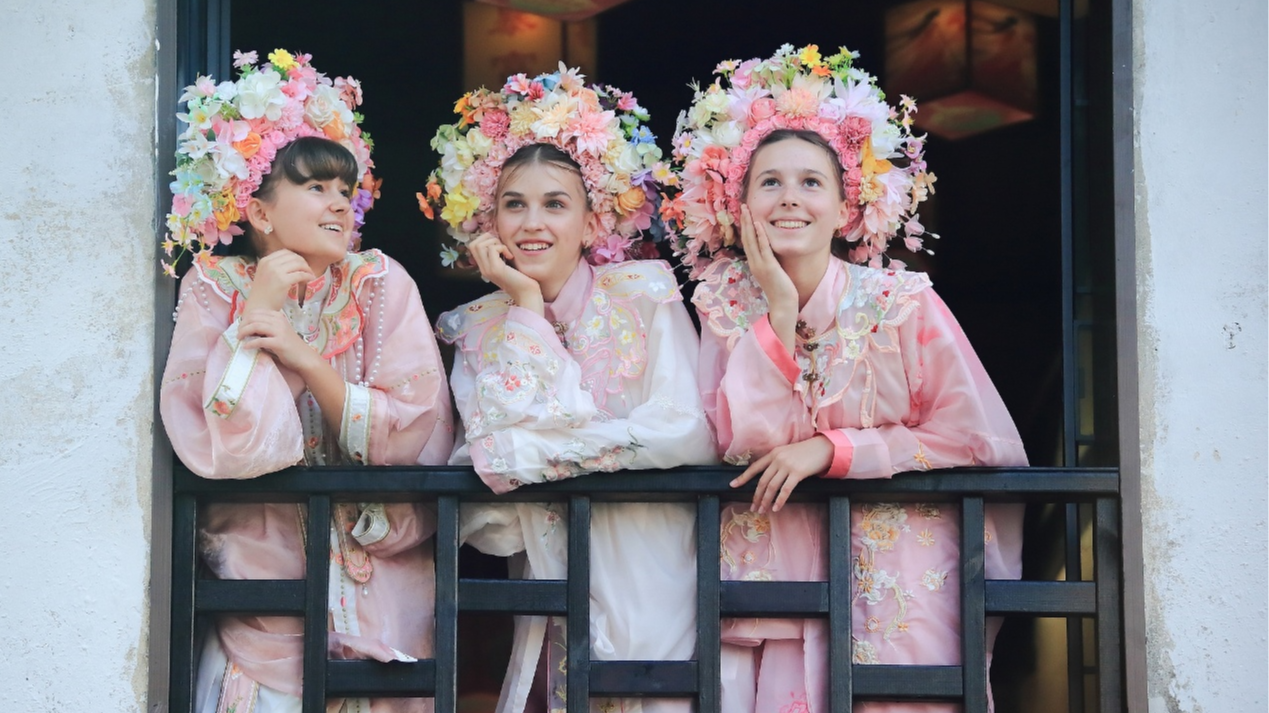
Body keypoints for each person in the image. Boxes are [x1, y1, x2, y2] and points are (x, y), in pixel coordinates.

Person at [670, 45, 1028, 713]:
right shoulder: (719, 306)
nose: (789, 199)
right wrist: (775, 312)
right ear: (738, 202)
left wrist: (834, 450)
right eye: (767, 182)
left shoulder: (902, 302)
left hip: (896, 573)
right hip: (775, 579)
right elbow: (735, 442)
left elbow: (972, 437)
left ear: (845, 207)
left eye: (811, 183)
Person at [160, 49, 453, 713]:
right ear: (259, 212)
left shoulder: (380, 283)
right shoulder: (216, 287)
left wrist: (308, 359)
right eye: (315, 188)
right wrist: (260, 309)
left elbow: (415, 428)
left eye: (344, 190)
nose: (338, 205)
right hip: (264, 589)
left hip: (379, 578)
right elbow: (227, 445)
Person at [421, 66, 716, 713]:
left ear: (589, 222)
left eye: (555, 203)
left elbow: (687, 431)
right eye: (514, 203)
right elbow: (486, 473)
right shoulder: (475, 325)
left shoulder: (645, 293)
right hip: (546, 580)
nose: (533, 221)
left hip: (653, 562)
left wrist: (540, 454)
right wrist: (524, 305)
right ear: (489, 218)